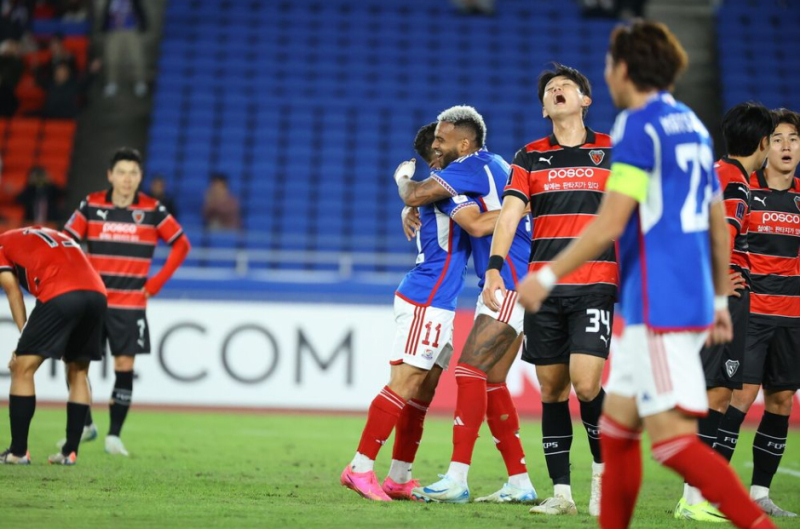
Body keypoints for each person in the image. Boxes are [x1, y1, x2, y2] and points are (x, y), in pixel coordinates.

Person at [517, 20, 776, 529]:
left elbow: (609, 222)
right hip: (674, 298)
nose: (608, 72)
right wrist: (720, 301)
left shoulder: (638, 127)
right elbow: (718, 224)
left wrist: (546, 277)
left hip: (660, 300)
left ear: (626, 69)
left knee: (674, 441)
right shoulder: (693, 128)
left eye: (612, 63)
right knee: (617, 431)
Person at [342, 120, 508, 502]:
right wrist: (524, 203)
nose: (440, 150)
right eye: (436, 146)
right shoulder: (447, 190)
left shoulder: (442, 189)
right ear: (437, 158)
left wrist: (405, 201)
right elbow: (478, 225)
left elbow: (418, 202)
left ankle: (399, 477)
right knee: (405, 383)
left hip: (440, 302)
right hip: (425, 299)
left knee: (423, 389)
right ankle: (360, 467)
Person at [482, 64, 614, 516]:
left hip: (596, 284)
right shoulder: (530, 156)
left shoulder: (613, 151)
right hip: (545, 289)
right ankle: (562, 495)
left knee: (586, 381)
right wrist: (494, 269)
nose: (557, 91)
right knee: (552, 388)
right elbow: (509, 215)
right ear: (544, 108)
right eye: (550, 89)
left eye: (566, 87)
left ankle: (603, 476)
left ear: (585, 101)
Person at [392, 107, 537, 504]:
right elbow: (472, 212)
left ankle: (457, 478)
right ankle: (520, 483)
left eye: (440, 141)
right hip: (514, 277)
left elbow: (430, 199)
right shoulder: (496, 166)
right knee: (491, 382)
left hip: (510, 279)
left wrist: (405, 185)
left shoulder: (471, 166)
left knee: (470, 370)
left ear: (464, 143)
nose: (435, 149)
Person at [677, 102, 775, 520]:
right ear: (764, 142)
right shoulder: (735, 184)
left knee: (715, 392)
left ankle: (696, 494)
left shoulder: (716, 173)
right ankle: (693, 498)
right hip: (723, 299)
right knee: (716, 392)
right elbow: (723, 234)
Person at [63, 147, 191, 456]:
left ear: (140, 177)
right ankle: (86, 425)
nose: (127, 179)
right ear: (110, 175)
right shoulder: (91, 204)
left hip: (131, 303)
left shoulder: (152, 209)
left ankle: (114, 436)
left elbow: (181, 245)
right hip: (94, 300)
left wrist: (156, 284)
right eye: (121, 172)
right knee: (75, 364)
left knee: (124, 366)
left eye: (133, 173)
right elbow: (66, 242)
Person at [714, 108, 800, 518]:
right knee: (739, 396)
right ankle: (714, 490)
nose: (786, 146)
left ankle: (760, 493)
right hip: (751, 311)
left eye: (793, 140)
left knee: (781, 400)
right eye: (778, 139)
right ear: (764, 146)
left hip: (793, 316)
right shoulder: (744, 188)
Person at [0, 226, 107, 466]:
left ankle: (18, 452)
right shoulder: (39, 232)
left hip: (61, 292)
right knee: (78, 371)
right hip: (97, 293)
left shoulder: (1, 245)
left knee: (22, 368)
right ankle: (69, 452)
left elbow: (12, 291)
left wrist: (23, 344)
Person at [101, 0, 147, 97]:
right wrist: (104, 27)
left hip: (131, 29)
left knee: (136, 57)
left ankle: (139, 82)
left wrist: (144, 25)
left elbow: (140, 9)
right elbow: (106, 12)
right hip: (113, 30)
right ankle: (112, 82)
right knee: (112, 58)